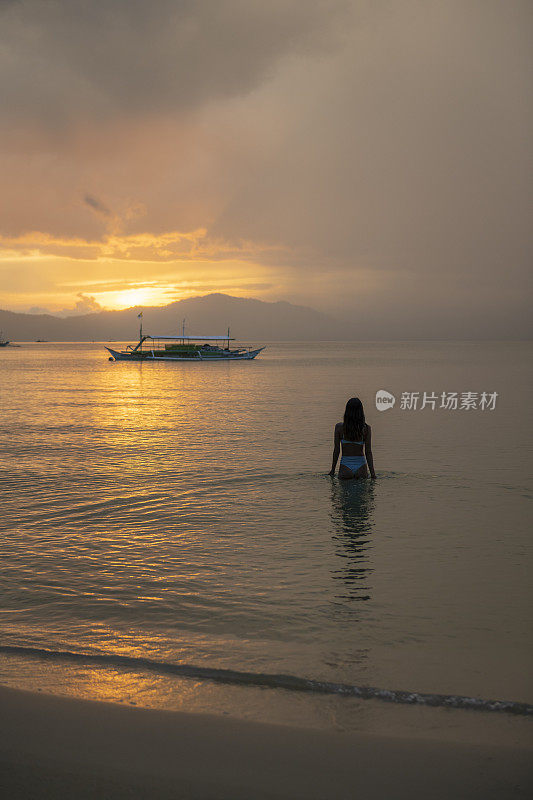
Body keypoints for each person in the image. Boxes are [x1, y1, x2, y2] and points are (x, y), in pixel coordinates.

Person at [329, 397, 376, 479]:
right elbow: (368, 452)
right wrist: (373, 474)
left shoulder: (339, 428)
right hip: (361, 467)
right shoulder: (366, 429)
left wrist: (332, 470)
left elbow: (337, 450)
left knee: (344, 491)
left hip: (345, 466)